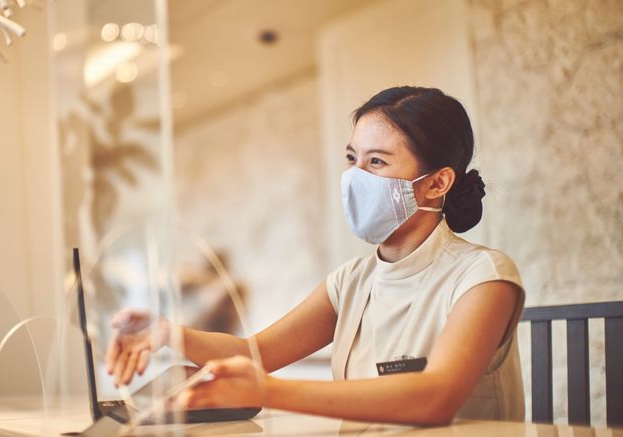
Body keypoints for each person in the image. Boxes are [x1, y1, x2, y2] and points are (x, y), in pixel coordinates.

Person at [104, 86, 525, 425]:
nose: (355, 178)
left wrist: (267, 390)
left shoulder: (483, 276)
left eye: (377, 162)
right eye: (352, 159)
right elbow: (255, 353)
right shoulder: (351, 281)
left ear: (437, 183)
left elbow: (435, 397)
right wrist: (169, 333)